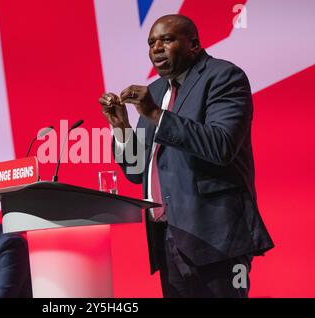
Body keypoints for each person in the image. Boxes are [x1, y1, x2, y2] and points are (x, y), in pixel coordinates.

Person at [99, 14, 274, 298]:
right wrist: (121, 127)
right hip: (169, 236)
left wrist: (155, 114)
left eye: (166, 40)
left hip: (217, 236)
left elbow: (221, 146)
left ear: (193, 44)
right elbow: (136, 172)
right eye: (151, 42)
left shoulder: (223, 76)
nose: (156, 48)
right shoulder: (155, 91)